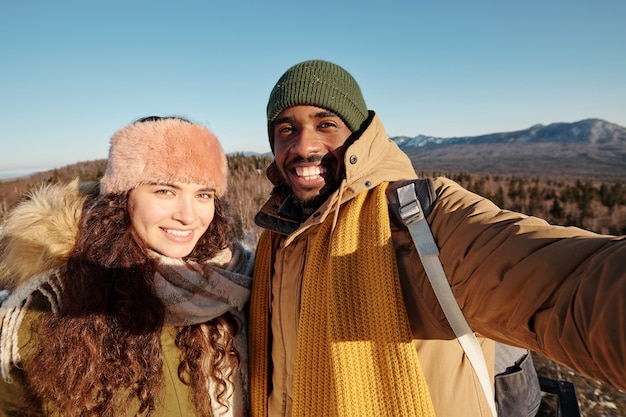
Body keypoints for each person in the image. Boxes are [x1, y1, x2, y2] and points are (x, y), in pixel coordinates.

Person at [248, 59, 626, 417]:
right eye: (286, 129)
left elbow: (567, 283)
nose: (302, 146)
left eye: (325, 124)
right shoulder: (280, 238)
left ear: (358, 135)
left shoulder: (422, 220)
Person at [0, 116, 254, 416]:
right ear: (123, 197)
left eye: (203, 195)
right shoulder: (54, 304)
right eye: (165, 191)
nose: (188, 216)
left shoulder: (235, 283)